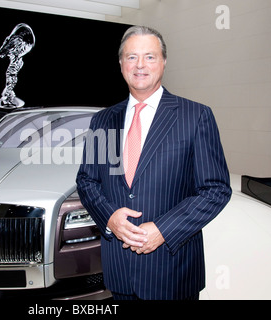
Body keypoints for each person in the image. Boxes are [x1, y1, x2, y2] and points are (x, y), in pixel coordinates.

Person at [76, 25, 231, 300]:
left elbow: (216, 189)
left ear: (163, 62)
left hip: (172, 270)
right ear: (121, 64)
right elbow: (87, 181)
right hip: (119, 270)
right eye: (132, 57)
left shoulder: (195, 116)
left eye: (150, 56)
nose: (140, 65)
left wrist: (163, 229)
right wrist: (109, 218)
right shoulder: (103, 120)